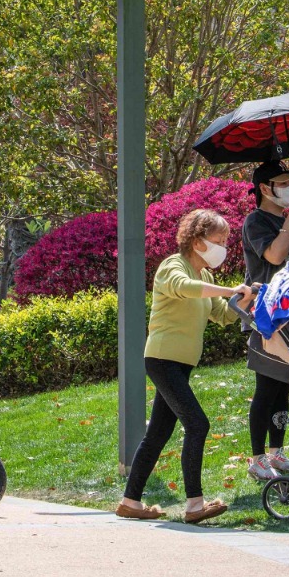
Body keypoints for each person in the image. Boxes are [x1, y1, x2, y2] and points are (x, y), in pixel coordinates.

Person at [116, 209, 256, 524]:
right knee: (198, 424)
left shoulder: (206, 275)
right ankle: (194, 505)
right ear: (196, 241)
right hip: (163, 359)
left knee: (158, 434)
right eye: (217, 240)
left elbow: (223, 314)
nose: (222, 246)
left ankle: (130, 501)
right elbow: (187, 288)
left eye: (224, 241)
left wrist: (247, 297)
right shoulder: (173, 266)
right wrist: (231, 291)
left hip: (181, 364)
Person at [241, 161, 289, 482]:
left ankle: (276, 453)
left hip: (288, 314)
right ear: (265, 188)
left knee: (283, 387)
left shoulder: (284, 222)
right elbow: (273, 257)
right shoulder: (256, 221)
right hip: (264, 316)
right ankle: (256, 459)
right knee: (266, 387)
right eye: (283, 182)